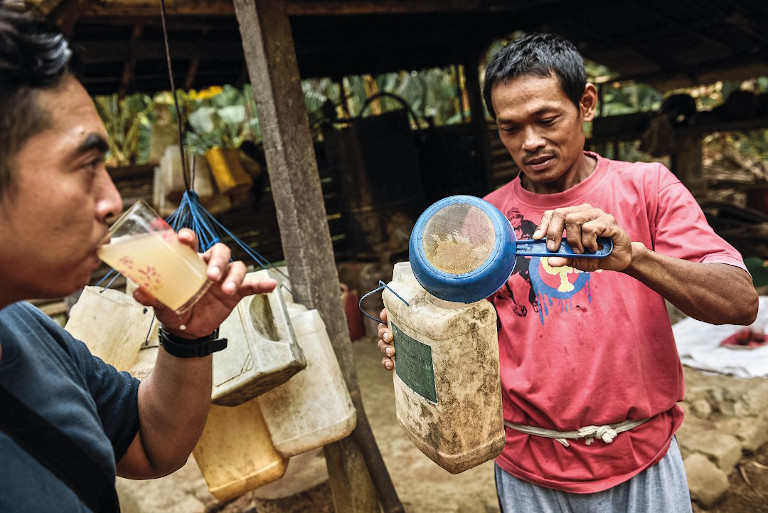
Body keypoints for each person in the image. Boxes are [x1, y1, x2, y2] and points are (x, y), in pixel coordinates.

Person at [377, 33, 759, 512]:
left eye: (546, 119)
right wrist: (409, 337)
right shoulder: (480, 223)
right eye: (510, 128)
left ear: (587, 104)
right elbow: (453, 334)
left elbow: (740, 303)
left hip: (641, 456)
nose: (530, 142)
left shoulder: (647, 187)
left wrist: (633, 258)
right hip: (527, 466)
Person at [0, 8, 277, 512]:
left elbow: (150, 444)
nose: (110, 201)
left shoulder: (26, 329)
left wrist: (187, 339)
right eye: (86, 166)